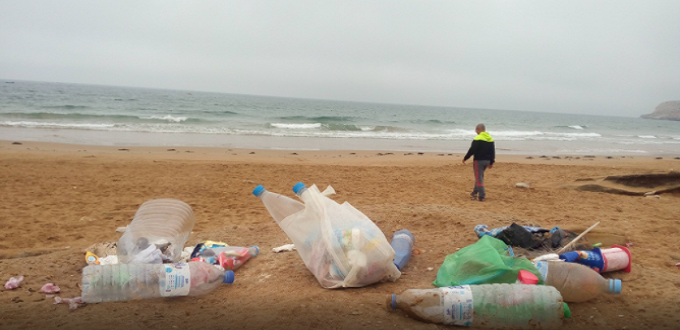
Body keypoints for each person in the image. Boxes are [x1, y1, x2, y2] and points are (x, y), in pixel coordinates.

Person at [462, 123, 495, 201]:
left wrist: (465, 158)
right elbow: (492, 151)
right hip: (487, 161)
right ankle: (474, 192)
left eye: (476, 129)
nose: (475, 131)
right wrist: (491, 162)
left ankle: (482, 195)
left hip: (479, 161)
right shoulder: (490, 138)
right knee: (479, 176)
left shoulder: (478, 138)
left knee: (479, 178)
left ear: (478, 129)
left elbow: (472, 150)